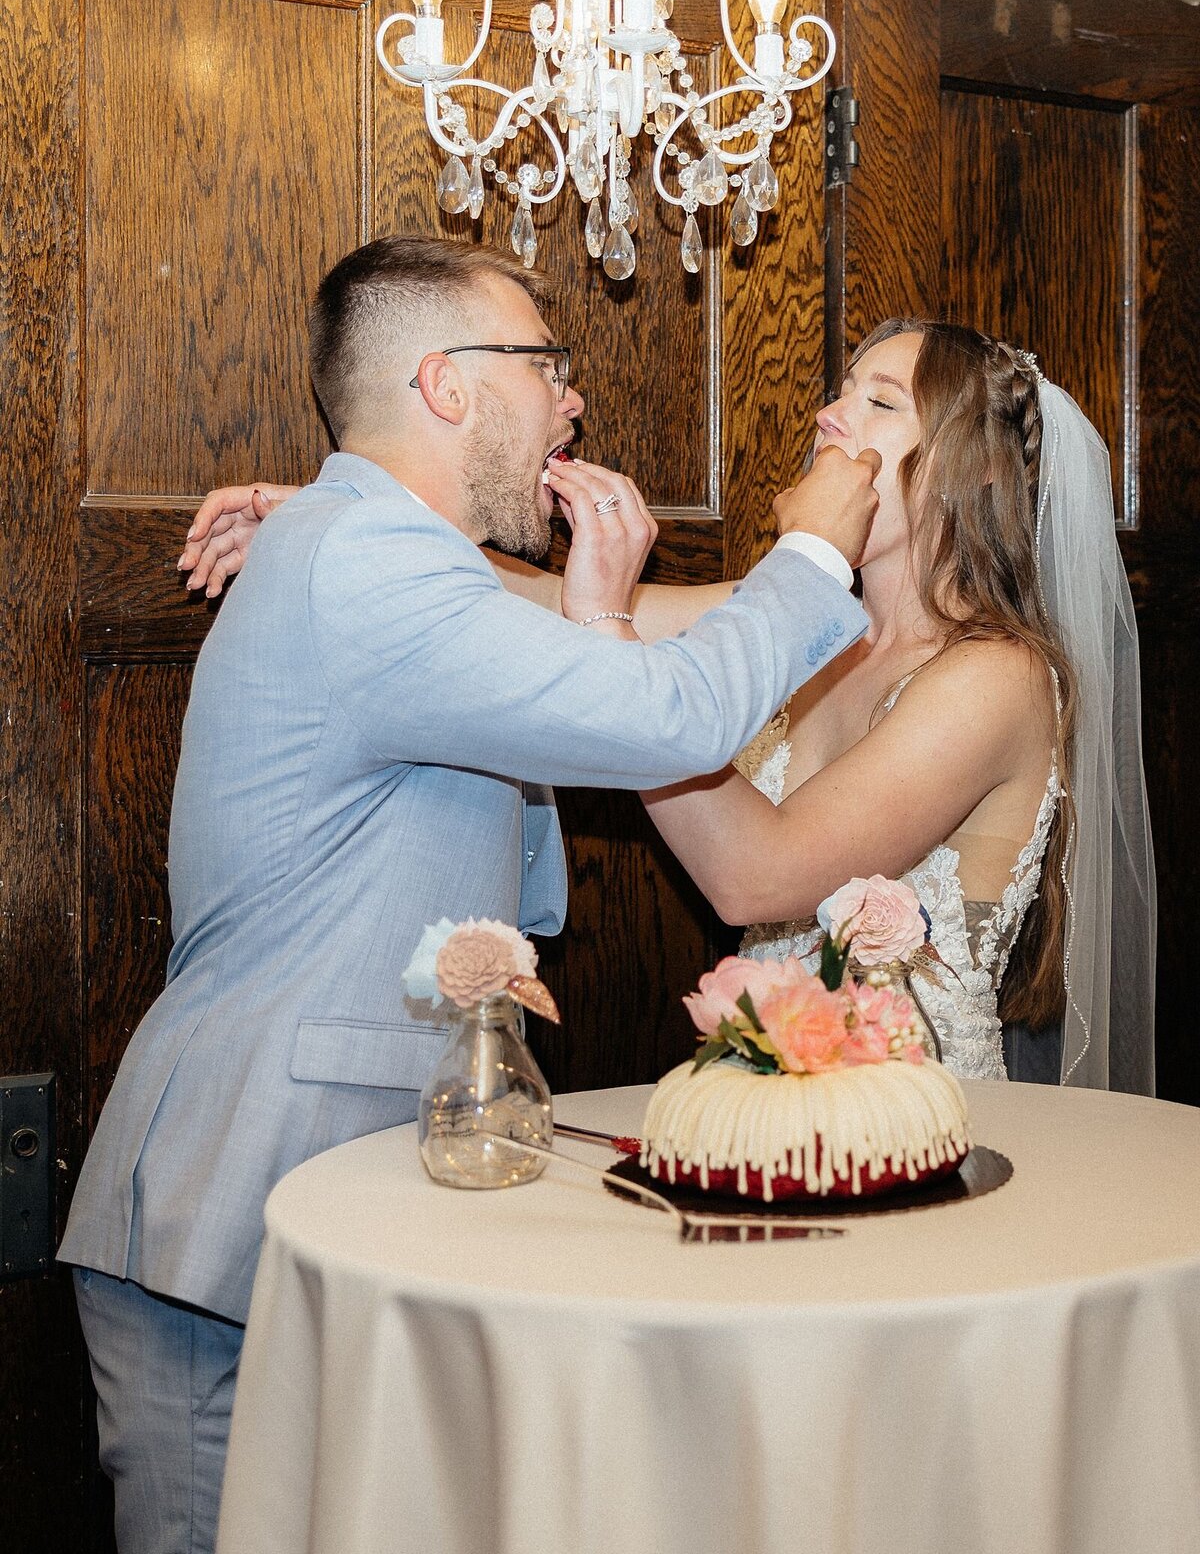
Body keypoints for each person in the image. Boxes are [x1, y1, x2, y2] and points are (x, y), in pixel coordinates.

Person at [59, 234, 880, 1554]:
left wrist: (601, 606)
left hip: (320, 1199)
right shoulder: (368, 566)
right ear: (444, 385)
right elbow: (673, 718)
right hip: (241, 1206)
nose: (573, 401)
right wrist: (818, 550)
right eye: (547, 365)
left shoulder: (367, 552)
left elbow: (585, 687)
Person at [193, 320, 1156, 1092]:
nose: (829, 415)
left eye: (879, 400)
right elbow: (534, 596)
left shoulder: (996, 676)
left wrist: (608, 625)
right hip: (765, 1093)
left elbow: (756, 876)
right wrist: (357, 516)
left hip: (909, 1111)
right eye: (840, 387)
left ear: (973, 467)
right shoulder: (803, 626)